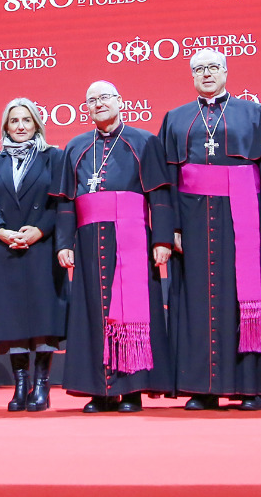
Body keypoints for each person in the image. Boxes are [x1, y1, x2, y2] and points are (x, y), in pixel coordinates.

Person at [160, 50, 261, 411]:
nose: (206, 74)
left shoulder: (253, 112)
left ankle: (249, 387)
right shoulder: (176, 118)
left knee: (245, 298)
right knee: (198, 302)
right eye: (198, 69)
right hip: (194, 220)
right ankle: (202, 388)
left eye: (213, 67)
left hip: (243, 217)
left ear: (227, 71)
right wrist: (172, 230)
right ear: (192, 77)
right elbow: (168, 181)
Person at [54, 81, 176, 412]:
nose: (98, 104)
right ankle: (101, 390)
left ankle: (133, 388)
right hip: (89, 241)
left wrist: (162, 239)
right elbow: (66, 201)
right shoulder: (75, 146)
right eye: (91, 100)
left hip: (133, 238)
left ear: (120, 101)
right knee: (94, 312)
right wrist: (64, 243)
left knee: (132, 311)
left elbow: (160, 196)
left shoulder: (144, 141)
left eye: (105, 97)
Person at [0, 98, 66, 412]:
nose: (20, 126)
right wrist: (2, 231)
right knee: (11, 318)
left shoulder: (53, 156)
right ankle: (21, 385)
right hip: (5, 248)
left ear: (36, 124)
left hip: (41, 246)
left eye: (26, 120)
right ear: (6, 126)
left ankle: (42, 386)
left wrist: (39, 230)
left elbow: (60, 202)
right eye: (14, 121)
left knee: (43, 316)